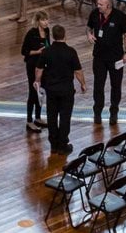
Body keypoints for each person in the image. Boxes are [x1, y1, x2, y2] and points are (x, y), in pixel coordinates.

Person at [33, 24, 86, 153]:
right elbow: (78, 71)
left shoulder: (47, 51)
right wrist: (83, 84)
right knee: (65, 117)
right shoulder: (71, 51)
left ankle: (53, 144)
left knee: (51, 117)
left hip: (51, 90)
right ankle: (63, 145)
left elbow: (39, 69)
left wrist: (37, 81)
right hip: (66, 90)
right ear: (65, 35)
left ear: (52, 36)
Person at [86, 0, 126, 124]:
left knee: (116, 86)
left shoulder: (119, 16)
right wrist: (89, 34)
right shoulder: (95, 14)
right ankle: (97, 113)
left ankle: (114, 112)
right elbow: (88, 27)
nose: (98, 6)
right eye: (98, 3)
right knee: (98, 86)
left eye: (100, 4)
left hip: (116, 58)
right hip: (99, 57)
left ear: (108, 5)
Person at [21, 11, 53, 131]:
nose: (46, 22)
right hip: (33, 65)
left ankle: (38, 117)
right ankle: (29, 120)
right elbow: (24, 51)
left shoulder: (47, 31)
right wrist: (38, 52)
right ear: (38, 21)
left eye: (47, 19)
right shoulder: (31, 33)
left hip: (44, 65)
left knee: (41, 91)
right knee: (33, 92)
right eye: (43, 20)